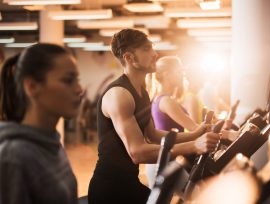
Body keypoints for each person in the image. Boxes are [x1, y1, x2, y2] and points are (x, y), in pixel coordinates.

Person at [88, 29, 220, 204]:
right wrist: (194, 146)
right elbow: (137, 153)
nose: (155, 54)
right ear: (129, 58)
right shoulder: (119, 95)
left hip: (129, 183)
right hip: (111, 189)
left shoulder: (141, 92)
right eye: (146, 49)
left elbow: (153, 135)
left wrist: (195, 134)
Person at [0, 43, 82, 204]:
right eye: (68, 81)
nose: (79, 89)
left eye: (77, 80)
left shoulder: (51, 142)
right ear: (32, 86)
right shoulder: (14, 157)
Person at [145, 56, 204, 187]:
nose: (182, 75)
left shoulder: (161, 99)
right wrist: (226, 132)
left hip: (166, 159)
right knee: (197, 195)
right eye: (178, 72)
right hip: (164, 162)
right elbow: (195, 128)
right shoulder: (167, 101)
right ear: (167, 75)